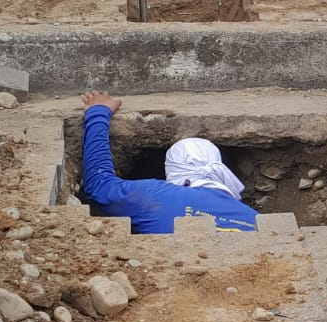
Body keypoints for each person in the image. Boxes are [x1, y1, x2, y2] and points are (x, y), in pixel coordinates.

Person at [80, 92, 258, 234]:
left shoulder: (153, 195)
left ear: (172, 171)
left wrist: (98, 112)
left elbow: (98, 183)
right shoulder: (254, 218)